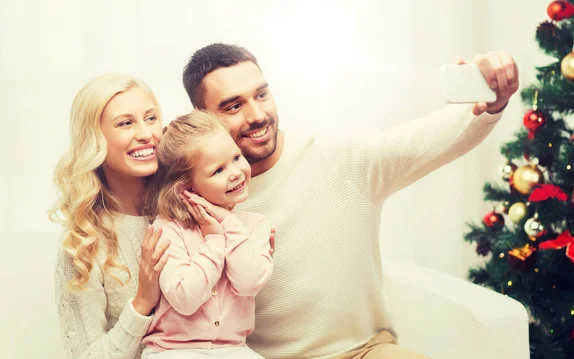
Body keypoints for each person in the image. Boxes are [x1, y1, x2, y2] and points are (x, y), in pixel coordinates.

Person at [180, 43, 520, 359]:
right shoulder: (194, 197)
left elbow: (424, 142)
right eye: (234, 106)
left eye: (262, 95)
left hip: (364, 351)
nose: (256, 115)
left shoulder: (335, 157)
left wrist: (491, 100)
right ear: (201, 116)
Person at [50, 74, 172, 359]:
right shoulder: (82, 243)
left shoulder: (186, 207)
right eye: (125, 123)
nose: (146, 134)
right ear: (94, 140)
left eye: (151, 118)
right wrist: (142, 302)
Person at [141, 110, 273, 359]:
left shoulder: (255, 225)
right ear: (187, 188)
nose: (235, 172)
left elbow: (248, 283)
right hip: (174, 350)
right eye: (218, 170)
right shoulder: (169, 228)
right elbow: (184, 298)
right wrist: (213, 240)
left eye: (236, 157)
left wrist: (227, 222)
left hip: (233, 349)